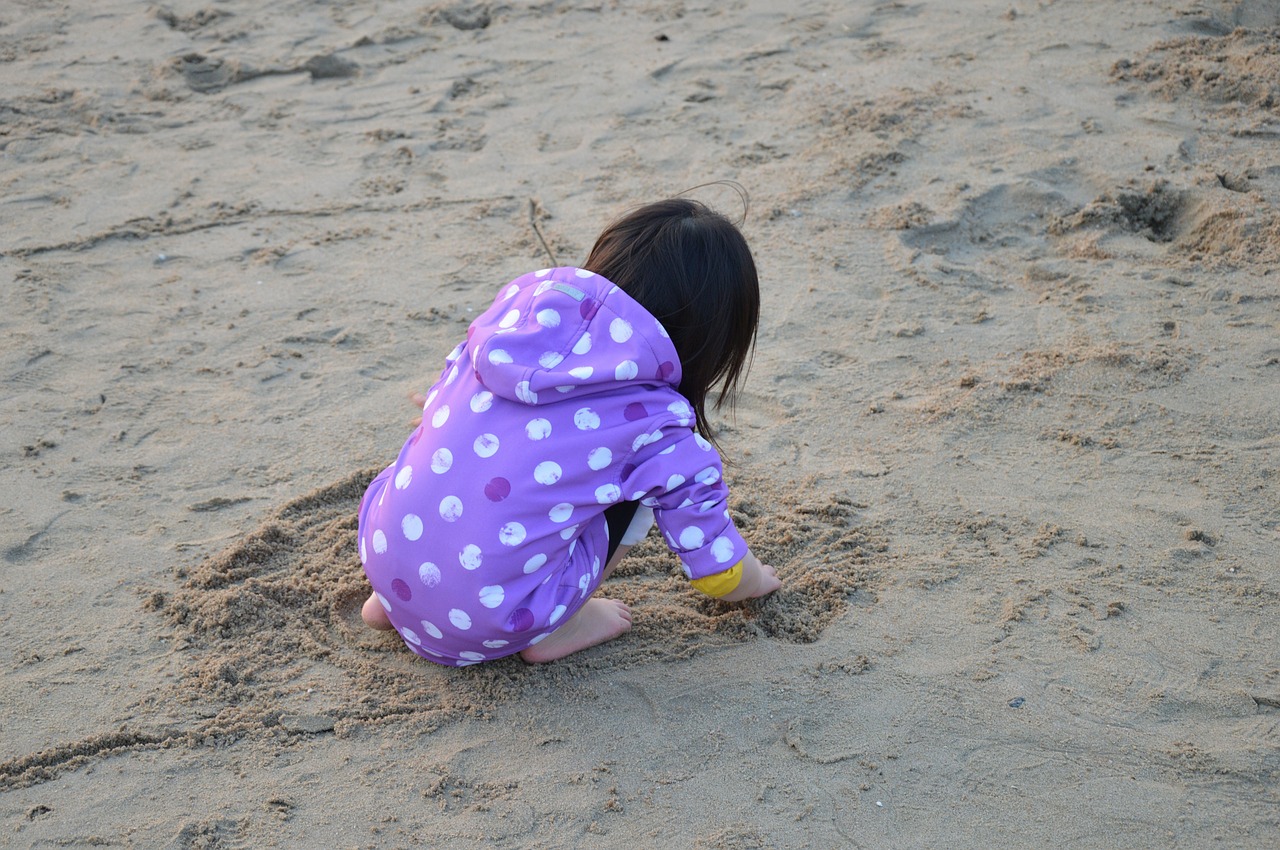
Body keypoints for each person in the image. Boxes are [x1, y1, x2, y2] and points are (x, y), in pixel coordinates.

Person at [357, 198, 781, 665]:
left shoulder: (511, 332)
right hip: (492, 620)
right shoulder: (655, 426)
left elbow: (438, 402)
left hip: (383, 556)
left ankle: (393, 605)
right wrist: (758, 579)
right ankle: (557, 628)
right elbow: (718, 572)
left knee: (458, 452)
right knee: (633, 488)